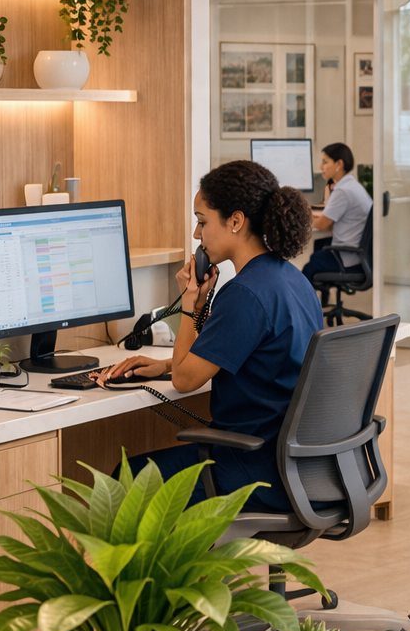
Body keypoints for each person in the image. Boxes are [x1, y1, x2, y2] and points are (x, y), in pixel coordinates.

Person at [97, 160, 323, 512]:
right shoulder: (291, 279)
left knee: (124, 482)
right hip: (300, 467)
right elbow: (244, 356)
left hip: (255, 469)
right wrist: (166, 365)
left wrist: (190, 303)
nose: (196, 235)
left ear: (235, 221)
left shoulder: (244, 294)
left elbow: (187, 381)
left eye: (202, 221)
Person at [301, 142, 372, 306]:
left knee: (311, 264)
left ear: (339, 164)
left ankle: (304, 309)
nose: (321, 166)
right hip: (360, 255)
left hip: (348, 259)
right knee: (320, 244)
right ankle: (322, 296)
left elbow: (322, 225)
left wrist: (303, 215)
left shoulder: (342, 191)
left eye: (325, 161)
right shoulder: (352, 185)